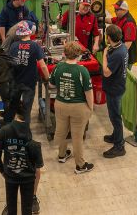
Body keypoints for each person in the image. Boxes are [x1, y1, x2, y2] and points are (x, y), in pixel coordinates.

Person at [48, 41, 95, 173]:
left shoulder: (58, 67)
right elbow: (88, 92)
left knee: (62, 130)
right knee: (77, 136)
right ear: (79, 55)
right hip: (78, 107)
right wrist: (90, 109)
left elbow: (51, 85)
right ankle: (80, 165)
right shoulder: (82, 71)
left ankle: (62, 155)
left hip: (60, 105)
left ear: (64, 54)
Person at [0, 118, 43, 215]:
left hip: (11, 176)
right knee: (27, 209)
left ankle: (30, 198)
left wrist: (3, 171)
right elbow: (37, 167)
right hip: (27, 178)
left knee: (12, 208)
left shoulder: (4, 131)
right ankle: (32, 197)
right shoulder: (34, 145)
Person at [101, 23, 133, 159]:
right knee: (114, 116)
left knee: (115, 117)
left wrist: (104, 54)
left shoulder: (116, 54)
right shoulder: (121, 47)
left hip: (114, 89)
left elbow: (107, 72)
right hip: (118, 85)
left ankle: (119, 146)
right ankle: (115, 136)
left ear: (109, 37)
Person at [3, 23, 41, 124]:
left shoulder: (14, 46)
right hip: (29, 82)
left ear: (19, 34)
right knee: (26, 110)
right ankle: (25, 135)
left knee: (12, 106)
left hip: (16, 81)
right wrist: (47, 78)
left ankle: (7, 129)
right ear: (29, 32)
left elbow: (9, 62)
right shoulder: (35, 46)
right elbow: (42, 65)